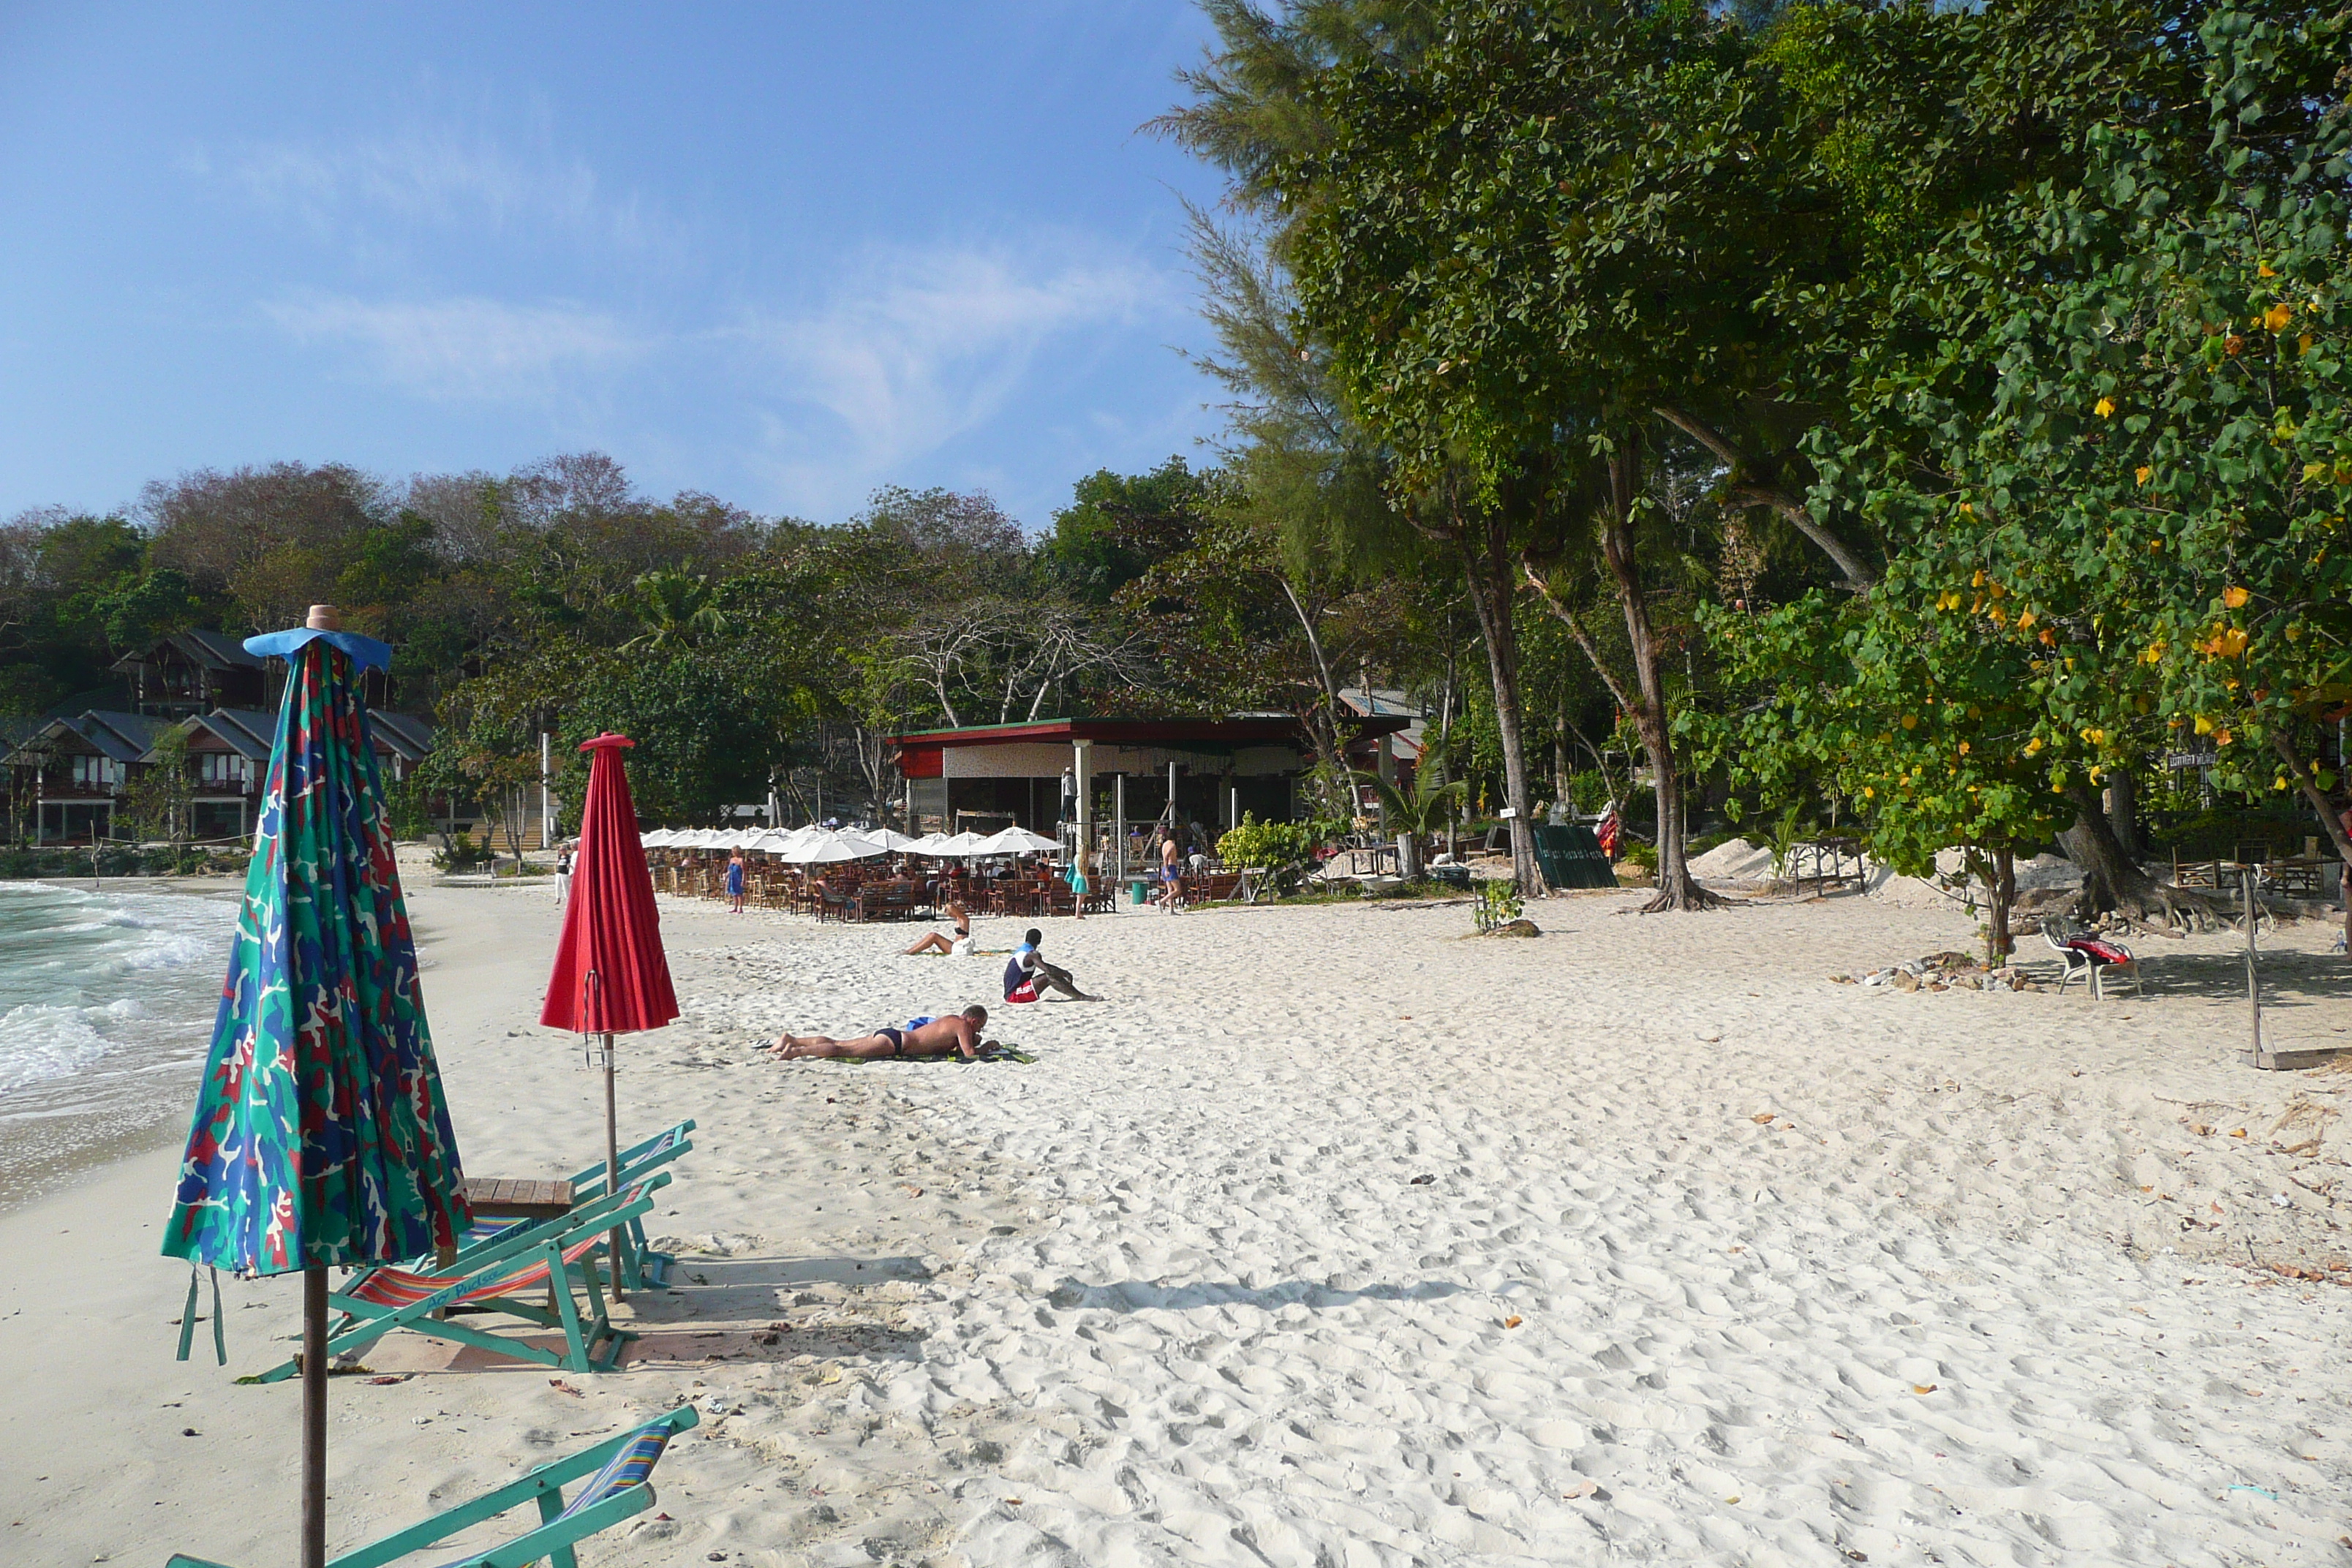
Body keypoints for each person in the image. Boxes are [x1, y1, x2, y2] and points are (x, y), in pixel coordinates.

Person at [768, 1005, 991, 1060]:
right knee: (840, 1051)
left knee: (840, 1043)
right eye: (979, 1026)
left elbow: (944, 1045)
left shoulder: (950, 1020)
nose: (978, 1030)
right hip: (896, 1044)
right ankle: (796, 1052)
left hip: (894, 1035)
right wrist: (987, 1047)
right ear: (972, 1021)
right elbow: (970, 1054)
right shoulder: (962, 1026)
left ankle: (791, 1039)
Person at [1004, 927, 1097, 1001]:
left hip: (1011, 992)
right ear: (1039, 941)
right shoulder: (1032, 954)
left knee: (1050, 974)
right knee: (1049, 977)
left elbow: (1045, 965)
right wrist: (1064, 974)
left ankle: (1079, 996)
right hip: (1014, 996)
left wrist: (1063, 972)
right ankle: (1081, 997)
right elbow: (1047, 970)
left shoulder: (1021, 951)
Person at [904, 900, 975, 956]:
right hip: (956, 946)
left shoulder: (965, 918)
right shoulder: (959, 918)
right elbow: (949, 910)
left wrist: (952, 905)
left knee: (933, 936)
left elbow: (950, 907)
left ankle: (910, 952)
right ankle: (911, 950)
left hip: (959, 948)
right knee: (931, 935)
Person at [1157, 832, 1183, 913]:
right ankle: (1161, 901)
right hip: (1170, 867)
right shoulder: (1172, 845)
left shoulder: (1165, 844)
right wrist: (1167, 869)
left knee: (1170, 890)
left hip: (1166, 868)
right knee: (1178, 889)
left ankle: (1171, 909)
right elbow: (1166, 857)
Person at [1067, 844, 1092, 921]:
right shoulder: (1084, 859)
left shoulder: (1077, 857)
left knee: (1080, 897)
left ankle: (1078, 913)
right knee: (1081, 897)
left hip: (1076, 878)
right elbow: (1085, 872)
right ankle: (1077, 913)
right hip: (1081, 879)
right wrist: (1088, 883)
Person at [725, 848, 747, 914]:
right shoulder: (732, 860)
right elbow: (729, 870)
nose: (733, 853)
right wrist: (726, 877)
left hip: (738, 877)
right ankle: (735, 907)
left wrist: (743, 880)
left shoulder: (741, 860)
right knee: (734, 893)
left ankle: (740, 908)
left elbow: (744, 871)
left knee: (739, 893)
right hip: (732, 877)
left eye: (734, 851)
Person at [554, 843, 573, 907]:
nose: (561, 851)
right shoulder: (559, 857)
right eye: (560, 850)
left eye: (562, 850)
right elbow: (556, 864)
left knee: (566, 887)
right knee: (558, 886)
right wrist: (555, 870)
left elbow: (570, 864)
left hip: (565, 873)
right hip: (559, 872)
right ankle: (558, 898)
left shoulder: (568, 857)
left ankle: (567, 899)